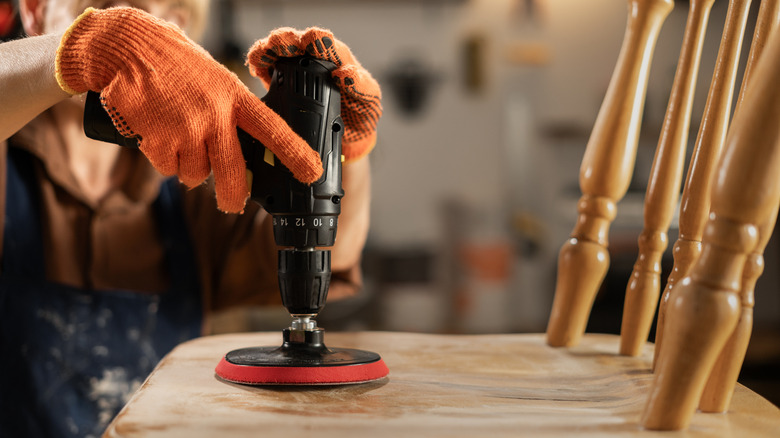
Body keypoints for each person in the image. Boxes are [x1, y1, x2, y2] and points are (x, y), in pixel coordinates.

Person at [0, 0, 381, 436]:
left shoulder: (196, 185)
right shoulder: (9, 160)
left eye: (168, 16)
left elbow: (331, 247)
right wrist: (87, 49)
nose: (147, 18)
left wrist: (342, 145)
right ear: (35, 11)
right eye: (108, 6)